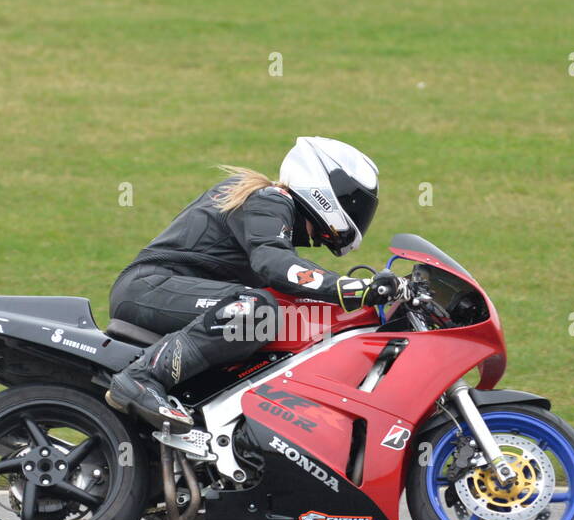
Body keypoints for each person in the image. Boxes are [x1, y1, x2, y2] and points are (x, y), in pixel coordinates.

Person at [105, 136, 403, 433]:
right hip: (149, 287)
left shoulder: (273, 219)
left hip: (167, 292)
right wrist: (355, 289)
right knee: (256, 311)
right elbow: (273, 264)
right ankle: (142, 377)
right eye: (354, 203)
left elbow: (284, 269)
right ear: (324, 189)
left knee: (286, 314)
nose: (357, 213)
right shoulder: (268, 200)